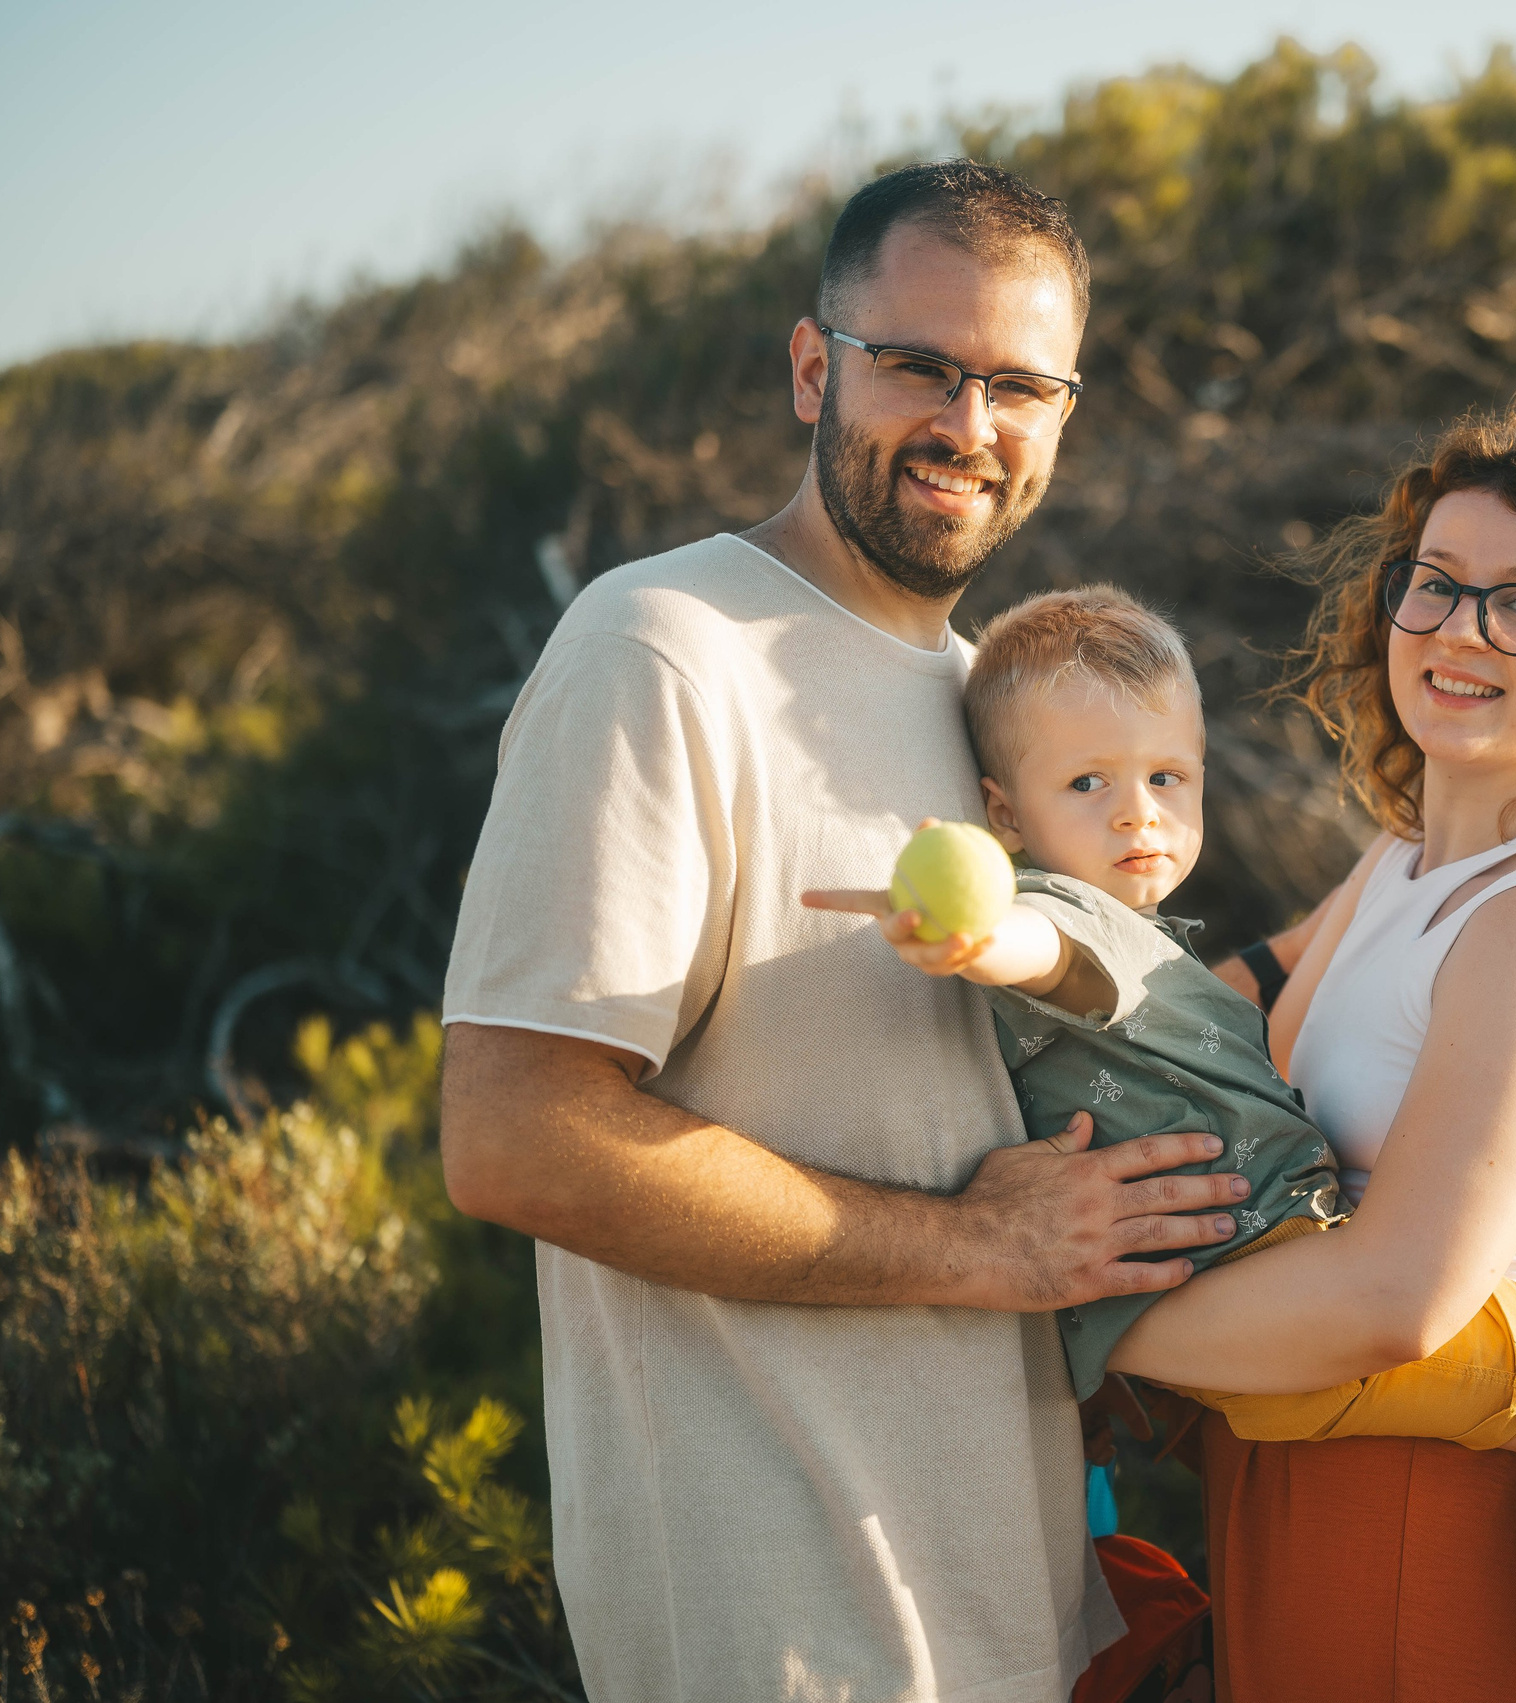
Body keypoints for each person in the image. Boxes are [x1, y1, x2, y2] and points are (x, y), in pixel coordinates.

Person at [436, 161, 1251, 1703]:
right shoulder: (662, 650)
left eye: (1019, 383)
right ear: (815, 365)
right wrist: (984, 1244)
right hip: (789, 1637)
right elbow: (516, 1135)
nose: (967, 424)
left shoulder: (998, 706)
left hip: (1023, 1626)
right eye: (919, 366)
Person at [805, 585, 1516, 1689]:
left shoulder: (1393, 865)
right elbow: (1051, 955)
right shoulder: (1063, 913)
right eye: (1087, 784)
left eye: (1167, 778)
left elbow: (1238, 981)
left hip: (1238, 1296)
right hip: (1269, 1280)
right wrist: (977, 934)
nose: (1137, 815)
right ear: (1002, 813)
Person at [1105, 397, 1516, 1703]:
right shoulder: (1412, 858)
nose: (1464, 629)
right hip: (1296, 1482)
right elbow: (1254, 987)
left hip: (1419, 1521)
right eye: (1438, 583)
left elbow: (1399, 1299)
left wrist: (1061, 1304)